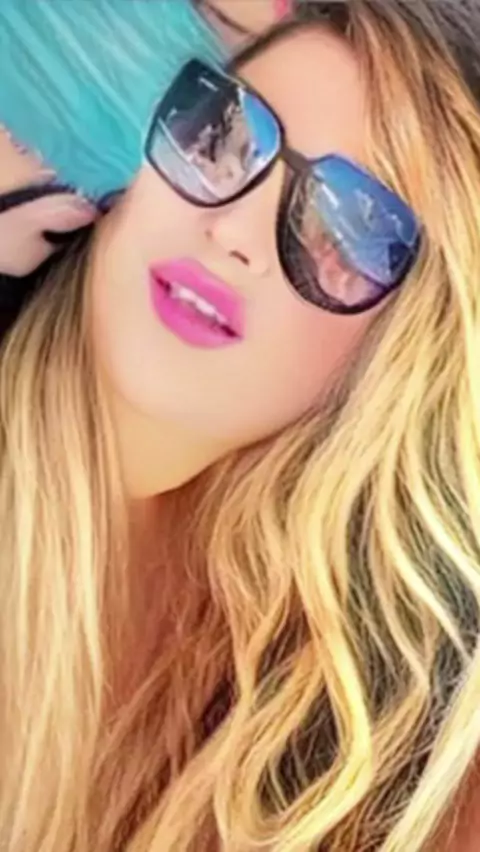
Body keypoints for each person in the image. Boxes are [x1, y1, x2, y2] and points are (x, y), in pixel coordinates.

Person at [1, 1, 480, 850]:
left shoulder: (358, 739)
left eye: (345, 229)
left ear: (397, 351)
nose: (234, 231)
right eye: (220, 134)